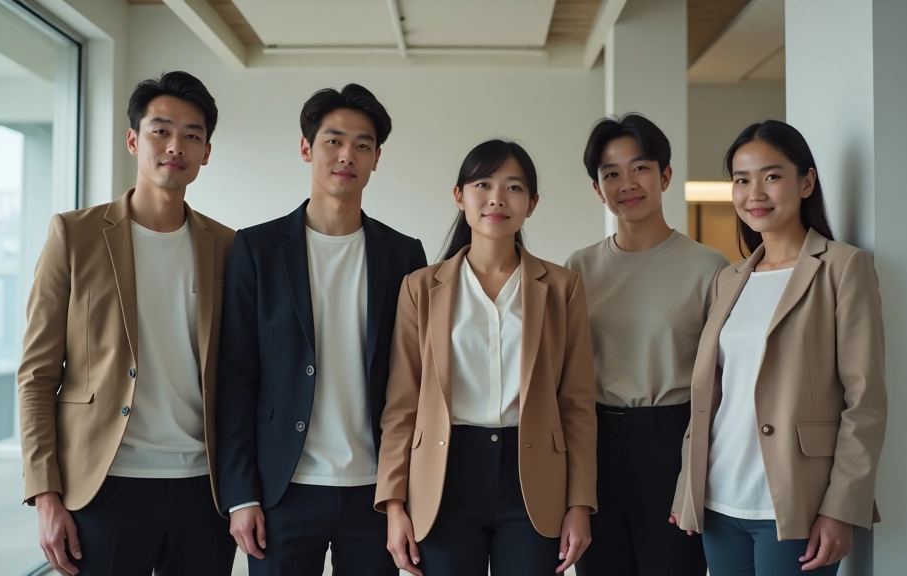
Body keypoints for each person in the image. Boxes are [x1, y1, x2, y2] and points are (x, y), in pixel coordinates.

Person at [18, 71, 237, 575]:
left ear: (206, 152)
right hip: (103, 485)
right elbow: (37, 375)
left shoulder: (227, 247)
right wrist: (45, 494)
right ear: (134, 139)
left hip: (203, 487)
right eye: (161, 130)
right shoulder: (74, 235)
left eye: (192, 135)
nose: (175, 145)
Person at [216, 83, 427, 576]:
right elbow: (235, 376)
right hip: (282, 491)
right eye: (333, 140)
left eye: (363, 145)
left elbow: (415, 377)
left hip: (376, 492)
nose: (347, 155)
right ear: (306, 148)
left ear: (377, 159)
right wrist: (242, 493)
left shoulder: (404, 255)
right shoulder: (257, 249)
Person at [670, 120, 887, 576]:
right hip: (719, 499)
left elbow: (864, 401)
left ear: (806, 181)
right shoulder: (730, 277)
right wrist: (687, 491)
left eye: (771, 176)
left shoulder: (843, 267)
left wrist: (842, 507)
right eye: (741, 180)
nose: (755, 193)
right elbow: (713, 394)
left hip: (794, 504)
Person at [375, 139, 597, 576]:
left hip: (533, 477)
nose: (497, 198)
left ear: (532, 204)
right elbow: (402, 403)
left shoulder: (562, 287)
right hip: (442, 477)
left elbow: (577, 405)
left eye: (514, 188)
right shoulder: (420, 288)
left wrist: (579, 503)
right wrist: (394, 503)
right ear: (459, 196)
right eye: (483, 183)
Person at [566, 113, 725, 576]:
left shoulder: (708, 267)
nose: (626, 184)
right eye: (610, 174)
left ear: (665, 176)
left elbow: (721, 376)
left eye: (639, 168)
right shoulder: (579, 267)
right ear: (598, 189)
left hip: (673, 444)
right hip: (596, 445)